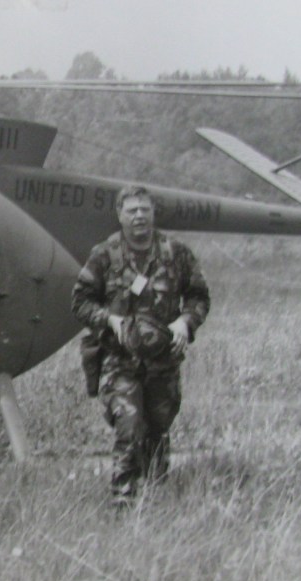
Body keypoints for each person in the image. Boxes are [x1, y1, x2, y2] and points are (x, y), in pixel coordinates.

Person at [72, 185, 210, 505]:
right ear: (119, 215)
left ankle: (155, 494)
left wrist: (185, 322)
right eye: (132, 210)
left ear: (153, 214)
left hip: (163, 360)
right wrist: (110, 320)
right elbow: (80, 301)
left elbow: (199, 296)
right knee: (129, 424)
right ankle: (123, 497)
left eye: (144, 210)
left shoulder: (175, 253)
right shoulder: (104, 255)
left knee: (158, 427)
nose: (139, 216)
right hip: (119, 359)